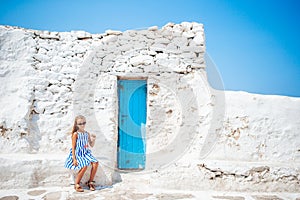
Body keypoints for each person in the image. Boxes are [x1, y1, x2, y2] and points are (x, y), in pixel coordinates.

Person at [65, 115, 99, 192]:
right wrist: (74, 159)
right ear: (76, 124)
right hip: (78, 153)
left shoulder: (87, 133)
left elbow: (91, 145)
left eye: (84, 123)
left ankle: (90, 182)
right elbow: (73, 147)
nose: (82, 125)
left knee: (95, 163)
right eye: (80, 124)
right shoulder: (75, 134)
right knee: (84, 165)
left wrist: (93, 140)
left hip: (86, 153)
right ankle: (76, 183)